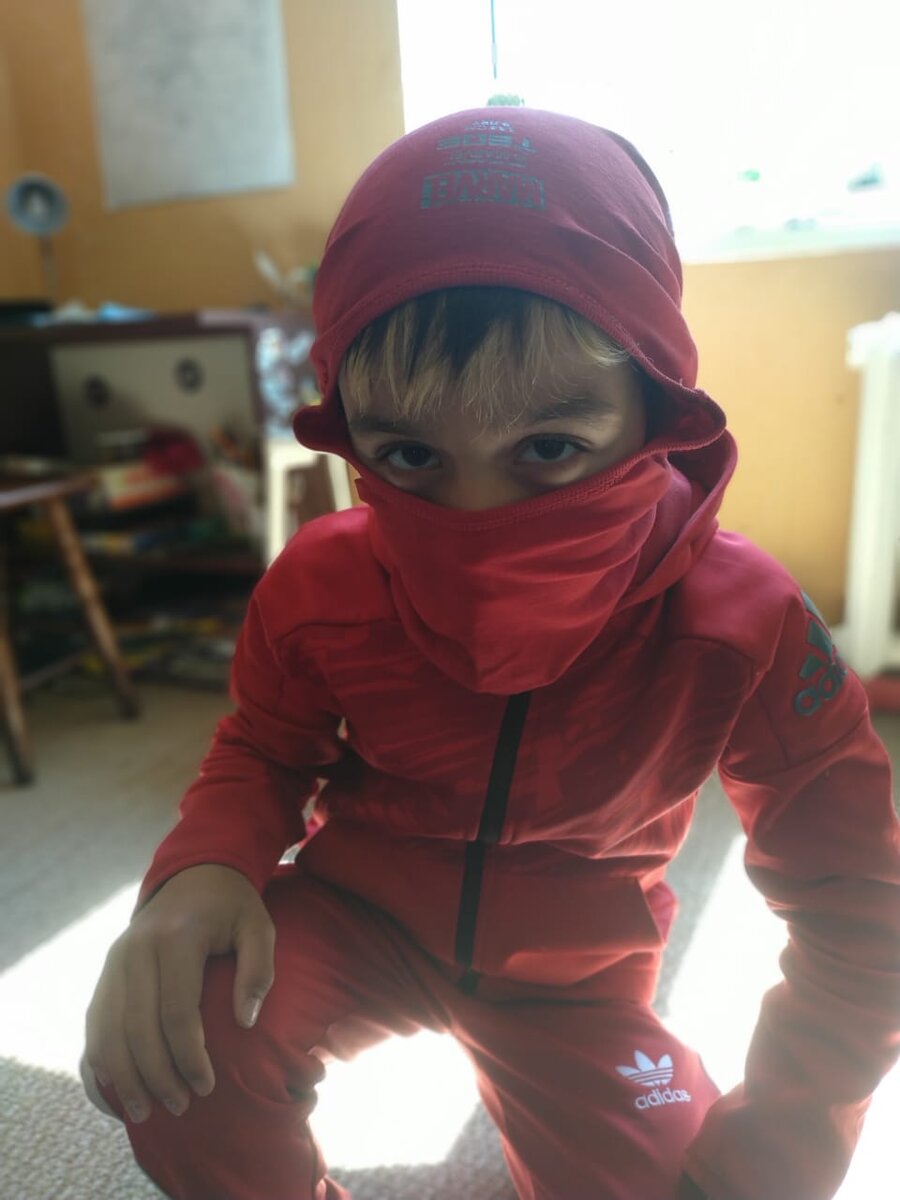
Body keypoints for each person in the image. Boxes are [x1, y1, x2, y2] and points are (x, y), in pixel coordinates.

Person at [82, 107, 900, 1200]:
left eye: (550, 447)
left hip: (578, 979)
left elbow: (859, 910)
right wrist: (205, 865)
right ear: (353, 436)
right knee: (173, 1045)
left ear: (656, 411)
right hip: (359, 919)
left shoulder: (744, 623)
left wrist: (778, 1153)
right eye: (411, 454)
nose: (478, 521)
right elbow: (264, 747)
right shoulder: (322, 584)